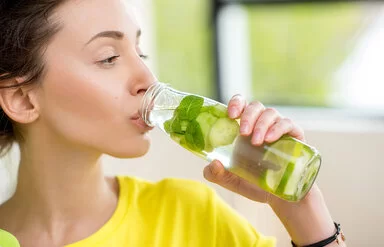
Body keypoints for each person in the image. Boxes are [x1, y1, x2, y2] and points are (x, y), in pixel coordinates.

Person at [0, 0, 346, 246]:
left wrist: (301, 211)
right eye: (108, 58)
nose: (148, 78)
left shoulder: (192, 215)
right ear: (22, 99)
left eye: (142, 54)